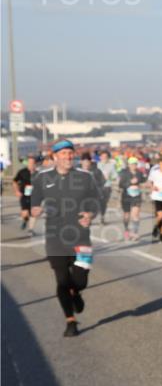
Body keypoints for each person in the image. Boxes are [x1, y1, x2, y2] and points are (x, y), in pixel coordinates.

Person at [30, 140, 102, 337]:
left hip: (81, 237)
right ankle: (70, 321)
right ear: (55, 157)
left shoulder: (85, 177)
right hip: (55, 238)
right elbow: (34, 201)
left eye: (70, 153)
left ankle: (76, 292)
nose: (68, 157)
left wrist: (90, 215)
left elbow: (96, 201)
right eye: (63, 153)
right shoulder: (42, 177)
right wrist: (35, 209)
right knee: (62, 280)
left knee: (80, 281)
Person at [118, 156, 145, 241]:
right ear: (129, 165)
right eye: (132, 164)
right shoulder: (124, 173)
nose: (133, 166)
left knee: (135, 215)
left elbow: (143, 181)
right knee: (127, 215)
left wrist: (143, 184)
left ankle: (135, 233)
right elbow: (120, 185)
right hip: (126, 196)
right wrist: (130, 182)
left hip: (136, 196)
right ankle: (126, 230)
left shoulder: (139, 173)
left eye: (135, 164)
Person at [13, 155, 37, 233]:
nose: (31, 164)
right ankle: (25, 219)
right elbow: (15, 181)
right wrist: (16, 191)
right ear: (27, 163)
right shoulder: (22, 172)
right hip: (24, 194)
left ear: (35, 164)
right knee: (25, 212)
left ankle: (31, 229)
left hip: (35, 195)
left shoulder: (38, 173)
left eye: (33, 163)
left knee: (33, 212)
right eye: (30, 163)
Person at [96, 150, 117, 224]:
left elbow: (115, 176)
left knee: (104, 203)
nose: (104, 158)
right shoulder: (97, 165)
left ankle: (102, 217)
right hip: (97, 187)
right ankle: (95, 213)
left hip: (107, 186)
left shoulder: (111, 166)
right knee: (97, 202)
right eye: (103, 156)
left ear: (108, 157)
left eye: (106, 157)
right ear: (100, 157)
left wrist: (109, 177)